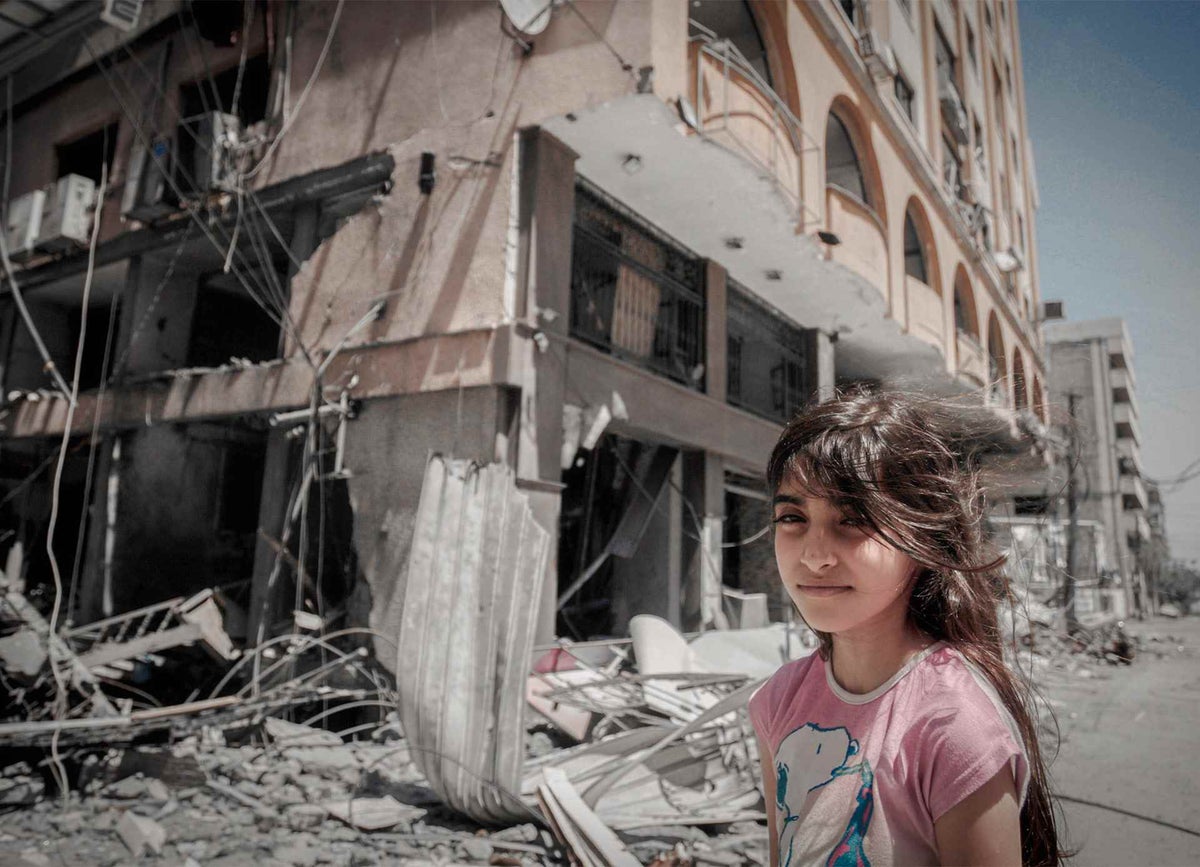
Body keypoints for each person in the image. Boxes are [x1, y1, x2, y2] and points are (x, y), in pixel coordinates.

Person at [749, 389, 1063, 866]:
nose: (814, 555)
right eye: (792, 517)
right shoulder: (778, 700)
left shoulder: (953, 725)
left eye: (852, 520)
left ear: (920, 537)